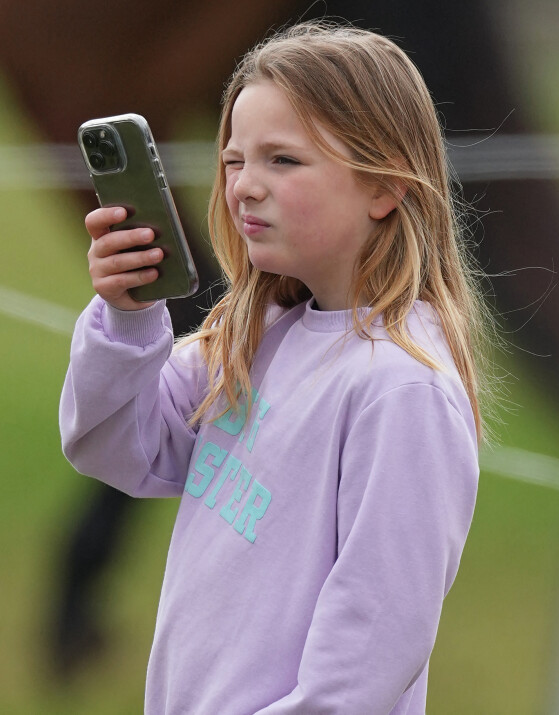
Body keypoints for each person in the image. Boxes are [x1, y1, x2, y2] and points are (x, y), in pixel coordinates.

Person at [60, 20, 487, 714]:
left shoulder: (402, 389)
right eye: (233, 160)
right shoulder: (255, 335)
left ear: (383, 187)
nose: (245, 187)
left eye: (282, 161)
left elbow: (369, 651)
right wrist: (130, 312)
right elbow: (112, 444)